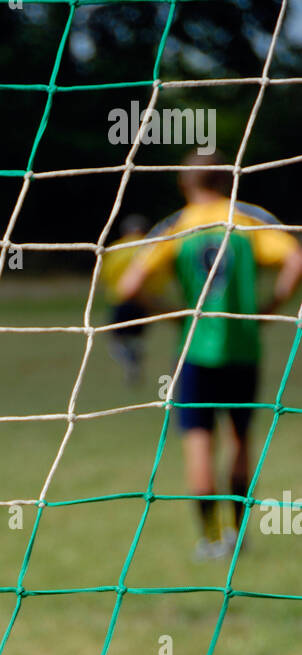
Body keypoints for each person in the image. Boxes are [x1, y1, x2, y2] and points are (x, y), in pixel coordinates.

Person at [118, 151, 302, 560]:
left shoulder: (177, 227)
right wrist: (271, 307)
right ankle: (237, 536)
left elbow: (130, 285)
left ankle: (209, 539)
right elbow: (296, 259)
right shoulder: (248, 221)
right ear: (228, 180)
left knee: (199, 443)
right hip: (243, 348)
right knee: (240, 441)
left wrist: (174, 314)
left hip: (194, 351)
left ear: (185, 184)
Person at [100, 214, 155, 385]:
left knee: (115, 340)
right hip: (145, 301)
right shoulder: (150, 248)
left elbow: (105, 274)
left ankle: (129, 359)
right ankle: (134, 358)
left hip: (120, 299)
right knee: (137, 338)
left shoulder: (115, 249)